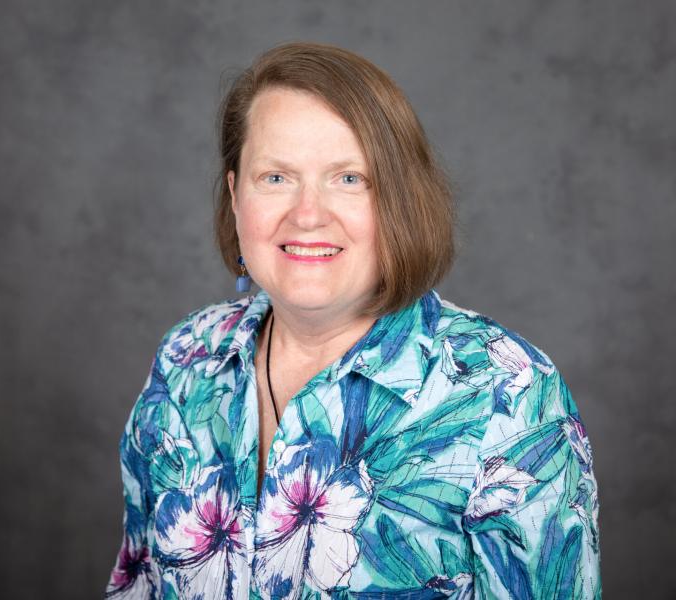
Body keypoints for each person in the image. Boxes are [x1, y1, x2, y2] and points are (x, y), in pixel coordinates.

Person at [105, 42, 601, 599]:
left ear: (399, 200)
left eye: (349, 178)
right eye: (275, 177)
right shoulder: (186, 361)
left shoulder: (508, 395)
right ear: (235, 194)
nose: (309, 214)